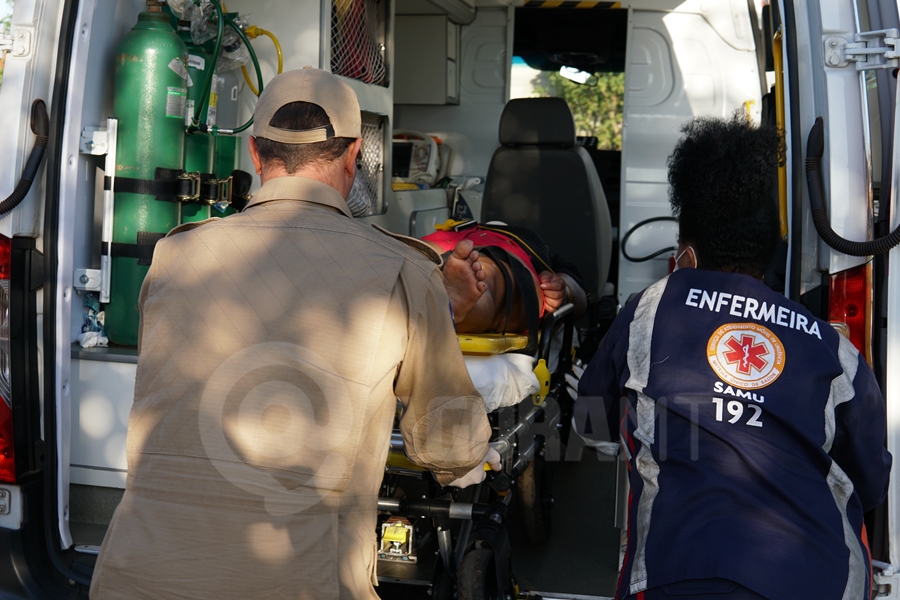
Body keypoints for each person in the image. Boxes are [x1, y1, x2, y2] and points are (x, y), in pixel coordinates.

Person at [91, 67, 499, 600]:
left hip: (134, 577)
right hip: (300, 583)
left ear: (257, 158)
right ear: (354, 158)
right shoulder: (402, 270)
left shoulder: (176, 254)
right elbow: (447, 440)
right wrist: (470, 461)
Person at [575, 115, 891, 600]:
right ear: (769, 254)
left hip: (679, 574)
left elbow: (592, 423)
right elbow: (869, 480)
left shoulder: (652, 311)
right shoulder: (833, 348)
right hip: (820, 579)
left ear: (687, 254)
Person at [425, 222, 588, 336]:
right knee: (426, 253)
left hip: (506, 258)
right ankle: (458, 304)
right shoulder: (453, 231)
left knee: (486, 272)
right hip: (444, 246)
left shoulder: (537, 251)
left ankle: (463, 310)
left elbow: (579, 299)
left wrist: (563, 291)